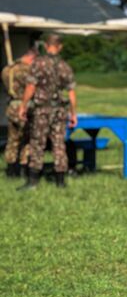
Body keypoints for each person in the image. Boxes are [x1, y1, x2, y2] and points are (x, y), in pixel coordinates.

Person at [18, 34, 77, 189]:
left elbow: (31, 87)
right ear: (60, 47)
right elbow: (71, 93)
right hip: (60, 111)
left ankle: (33, 181)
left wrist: (23, 106)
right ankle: (60, 181)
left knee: (38, 143)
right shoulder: (65, 66)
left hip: (42, 110)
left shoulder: (38, 64)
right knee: (59, 144)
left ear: (45, 45)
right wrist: (73, 114)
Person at [2, 48, 36, 177]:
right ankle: (24, 168)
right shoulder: (28, 71)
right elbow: (32, 87)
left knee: (12, 139)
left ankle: (11, 169)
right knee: (27, 140)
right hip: (25, 107)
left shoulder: (7, 70)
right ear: (31, 58)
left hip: (11, 107)